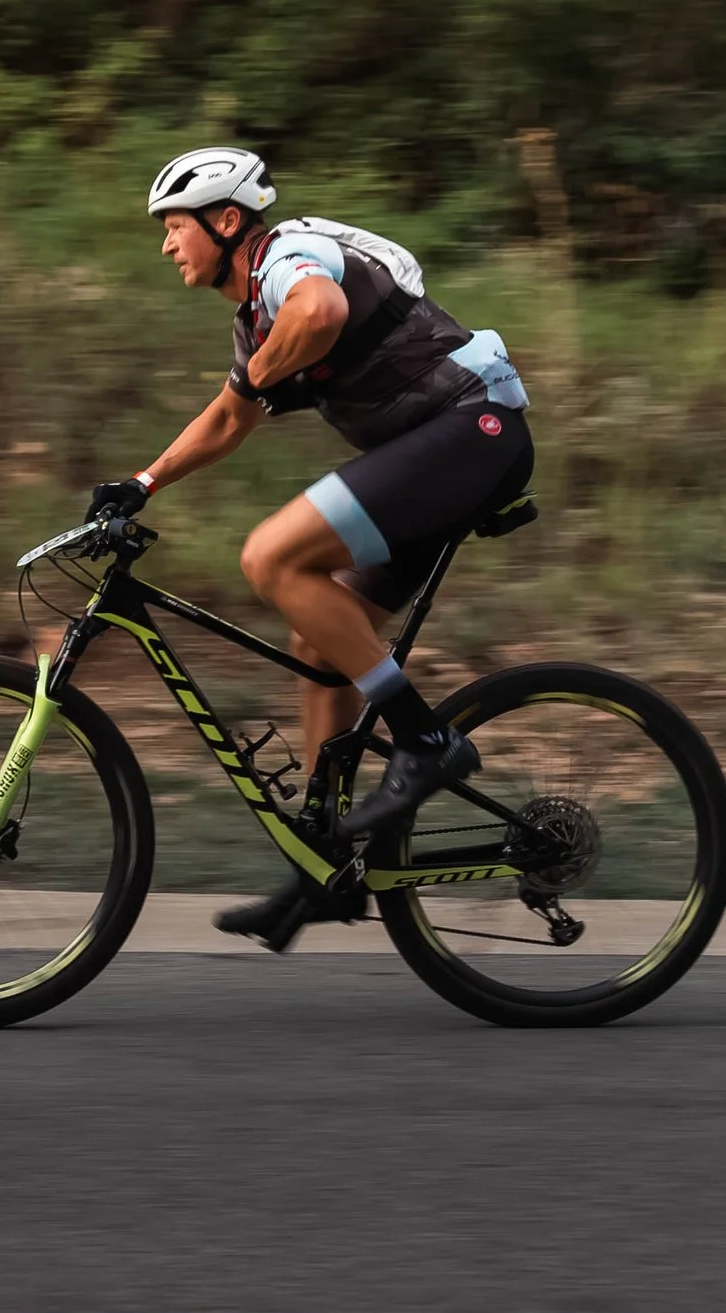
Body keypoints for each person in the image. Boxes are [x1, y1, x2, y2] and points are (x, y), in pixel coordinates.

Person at [86, 146, 534, 948]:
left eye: (174, 226)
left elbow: (319, 312)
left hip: (472, 429)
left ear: (227, 222)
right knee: (320, 633)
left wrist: (256, 376)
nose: (165, 244)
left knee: (271, 557)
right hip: (445, 445)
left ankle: (427, 743)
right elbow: (228, 418)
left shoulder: (288, 256)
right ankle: (324, 863)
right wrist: (142, 483)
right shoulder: (253, 314)